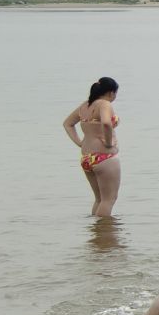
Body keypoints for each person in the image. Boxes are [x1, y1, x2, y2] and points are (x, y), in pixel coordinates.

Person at [62, 76, 121, 217]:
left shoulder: (85, 106)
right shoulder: (104, 104)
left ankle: (96, 233)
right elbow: (106, 123)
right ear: (111, 92)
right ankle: (104, 235)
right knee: (109, 200)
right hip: (104, 158)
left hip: (87, 158)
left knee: (99, 199)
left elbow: (67, 124)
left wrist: (79, 142)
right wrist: (108, 142)